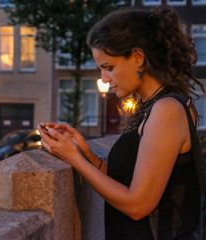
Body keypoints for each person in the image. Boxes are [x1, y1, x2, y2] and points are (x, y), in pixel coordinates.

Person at [38, 5, 205, 240]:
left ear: (138, 57)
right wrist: (85, 152)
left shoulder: (166, 110)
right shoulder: (152, 107)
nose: (104, 80)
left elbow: (138, 205)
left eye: (109, 68)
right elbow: (131, 182)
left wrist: (73, 159)